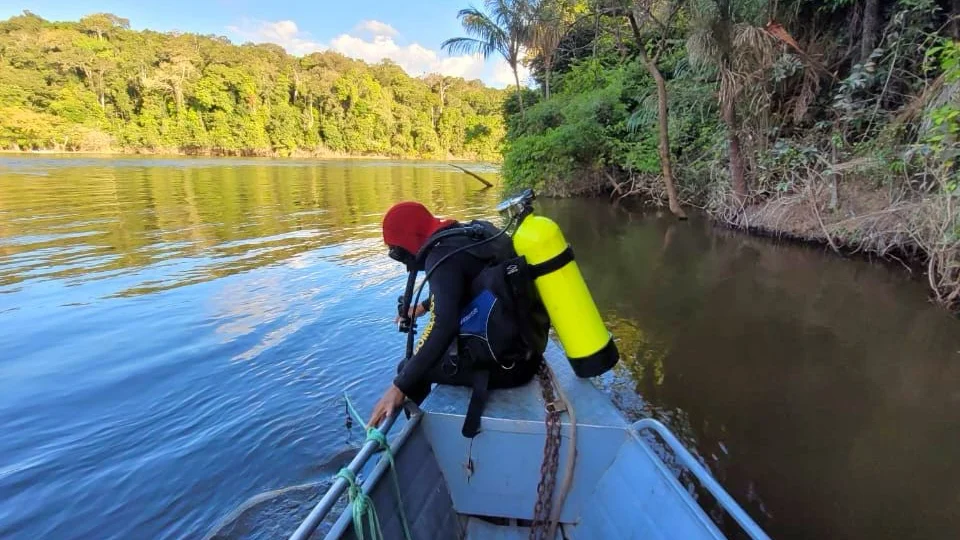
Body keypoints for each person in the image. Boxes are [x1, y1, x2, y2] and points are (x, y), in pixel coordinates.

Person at [367, 201, 547, 433]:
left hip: (510, 366)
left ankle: (423, 435)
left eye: (396, 252)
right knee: (419, 364)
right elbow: (467, 284)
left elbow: (444, 327)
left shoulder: (440, 258)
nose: (400, 259)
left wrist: (399, 386)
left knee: (408, 367)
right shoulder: (467, 235)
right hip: (527, 342)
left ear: (408, 242)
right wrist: (422, 307)